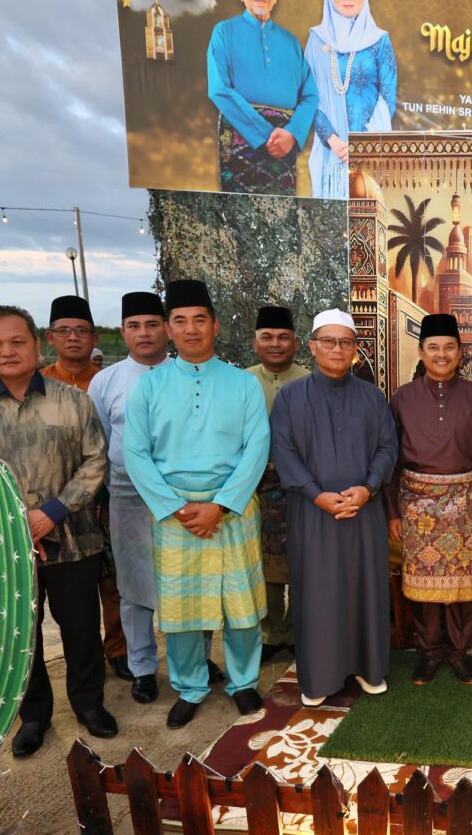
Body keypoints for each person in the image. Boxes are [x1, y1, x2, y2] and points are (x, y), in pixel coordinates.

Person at [0, 305, 117, 757]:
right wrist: (11, 522)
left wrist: (51, 513)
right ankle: (33, 715)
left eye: (17, 341)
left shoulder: (73, 401)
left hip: (73, 538)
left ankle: (89, 704)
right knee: (19, 635)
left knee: (81, 628)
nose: (7, 351)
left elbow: (95, 461)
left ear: (37, 344)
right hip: (4, 547)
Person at [123, 281, 272, 727]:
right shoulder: (148, 387)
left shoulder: (243, 384)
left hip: (232, 510)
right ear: (169, 329)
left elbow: (257, 448)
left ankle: (243, 683)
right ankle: (190, 687)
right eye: (181, 321)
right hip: (175, 515)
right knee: (183, 609)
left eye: (200, 320)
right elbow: (135, 452)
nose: (191, 329)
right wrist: (174, 507)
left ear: (215, 325)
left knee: (241, 605)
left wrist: (221, 505)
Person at [270, 309, 398, 705]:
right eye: (328, 341)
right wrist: (316, 494)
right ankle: (321, 676)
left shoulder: (372, 397)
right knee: (318, 593)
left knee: (366, 589)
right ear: (312, 347)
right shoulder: (290, 398)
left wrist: (368, 488)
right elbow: (283, 453)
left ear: (355, 349)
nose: (337, 349)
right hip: (313, 515)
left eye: (346, 342)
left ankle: (368, 667)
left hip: (364, 513)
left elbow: (388, 447)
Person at [386, 314, 472, 685]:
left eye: (449, 347)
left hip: (467, 505)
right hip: (417, 507)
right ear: (421, 352)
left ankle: (459, 653)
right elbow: (390, 461)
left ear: (460, 353)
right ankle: (430, 653)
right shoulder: (402, 398)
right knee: (423, 586)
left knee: (464, 586)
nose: (442, 354)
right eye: (433, 347)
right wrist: (392, 512)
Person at [40, 295, 129, 681]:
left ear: (95, 337)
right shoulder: (38, 384)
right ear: (50, 337)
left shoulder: (106, 382)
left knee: (114, 580)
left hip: (104, 497)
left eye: (81, 330)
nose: (73, 337)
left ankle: (119, 648)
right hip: (54, 502)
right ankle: (85, 657)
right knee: (72, 594)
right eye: (64, 331)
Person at [87, 292, 171, 706]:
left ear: (167, 328)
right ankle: (142, 667)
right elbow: (99, 440)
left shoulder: (186, 374)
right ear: (123, 332)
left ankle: (193, 660)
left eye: (152, 324)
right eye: (134, 326)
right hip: (127, 492)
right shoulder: (106, 381)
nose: (144, 333)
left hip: (181, 495)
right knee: (134, 584)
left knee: (187, 578)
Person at [208, 0, 318, 196]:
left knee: (285, 215)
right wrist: (266, 135)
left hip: (285, 150)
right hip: (241, 145)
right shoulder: (224, 32)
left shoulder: (291, 42)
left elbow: (310, 95)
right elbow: (219, 89)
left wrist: (292, 134)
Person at [246, 305, 311, 660]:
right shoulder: (242, 382)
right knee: (263, 563)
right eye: (267, 337)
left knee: (303, 559)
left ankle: (299, 630)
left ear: (296, 343)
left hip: (302, 484)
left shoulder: (311, 380)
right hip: (254, 483)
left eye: (283, 337)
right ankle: (271, 634)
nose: (275, 344)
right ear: (255, 343)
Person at [304, 0, 397, 199]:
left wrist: (361, 145)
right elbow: (308, 96)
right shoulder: (316, 39)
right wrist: (333, 140)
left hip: (368, 155)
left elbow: (387, 99)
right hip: (330, 156)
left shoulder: (379, 41)